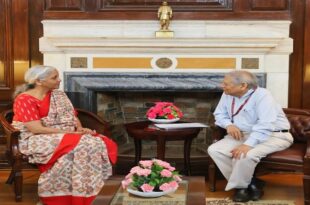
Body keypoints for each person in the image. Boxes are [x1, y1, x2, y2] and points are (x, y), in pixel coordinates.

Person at [12, 65, 117, 205]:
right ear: (39, 81)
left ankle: (88, 190)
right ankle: (60, 197)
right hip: (34, 137)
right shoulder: (24, 99)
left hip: (62, 134)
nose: (59, 80)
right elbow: (36, 128)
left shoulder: (58, 94)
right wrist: (70, 132)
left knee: (95, 142)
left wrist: (80, 128)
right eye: (54, 77)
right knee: (84, 143)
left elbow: (72, 116)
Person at [207, 71, 293, 202]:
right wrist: (228, 125)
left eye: (226, 84)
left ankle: (241, 188)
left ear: (243, 85)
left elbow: (266, 124)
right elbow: (219, 114)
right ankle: (251, 183)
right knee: (215, 150)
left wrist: (248, 145)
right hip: (243, 135)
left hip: (275, 135)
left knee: (244, 155)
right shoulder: (227, 94)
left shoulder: (263, 95)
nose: (221, 86)